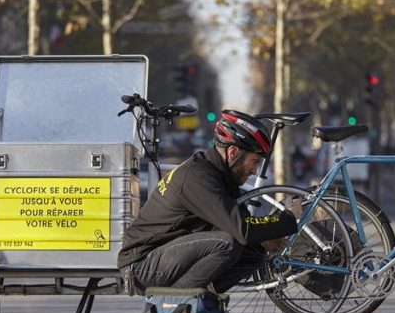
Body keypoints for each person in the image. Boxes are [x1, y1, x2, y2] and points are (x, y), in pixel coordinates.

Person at [118, 110, 301, 295]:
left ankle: (204, 300)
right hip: (140, 265)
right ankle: (174, 302)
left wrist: (262, 238)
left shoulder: (221, 175)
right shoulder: (198, 178)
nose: (254, 171)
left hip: (165, 256)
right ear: (233, 152)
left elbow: (241, 221)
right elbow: (242, 229)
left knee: (253, 251)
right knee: (227, 243)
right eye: (254, 162)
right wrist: (288, 217)